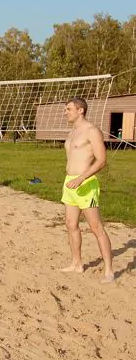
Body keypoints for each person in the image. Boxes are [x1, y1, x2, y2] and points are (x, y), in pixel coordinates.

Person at [59, 97, 114, 283]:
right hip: (70, 183)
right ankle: (77, 264)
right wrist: (72, 178)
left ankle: (109, 271)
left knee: (96, 227)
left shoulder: (92, 131)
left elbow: (102, 160)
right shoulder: (72, 132)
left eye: (68, 109)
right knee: (70, 224)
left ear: (80, 110)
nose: (65, 112)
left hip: (86, 183)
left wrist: (81, 178)